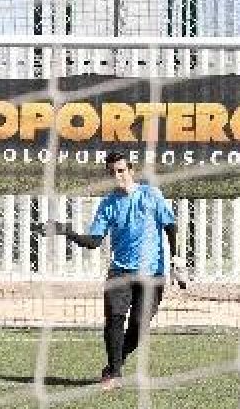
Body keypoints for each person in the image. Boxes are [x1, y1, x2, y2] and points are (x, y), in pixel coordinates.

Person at [31, 152, 185, 390]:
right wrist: (64, 230)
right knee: (114, 318)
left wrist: (176, 259)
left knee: (139, 326)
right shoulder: (108, 203)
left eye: (121, 170)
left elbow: (170, 226)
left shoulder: (151, 194)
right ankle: (114, 373)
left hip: (152, 273)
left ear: (131, 170)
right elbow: (93, 242)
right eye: (112, 172)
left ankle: (116, 361)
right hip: (120, 272)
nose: (117, 176)